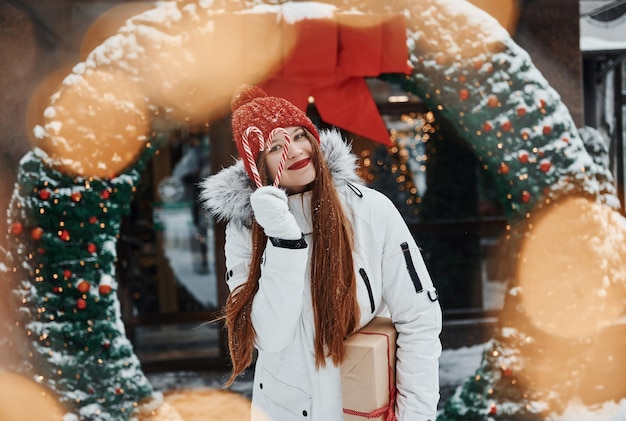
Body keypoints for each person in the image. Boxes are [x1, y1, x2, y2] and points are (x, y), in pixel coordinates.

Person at [200, 85, 442, 421]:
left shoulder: (369, 210)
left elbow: (419, 320)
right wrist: (284, 240)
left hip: (364, 404)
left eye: (299, 135)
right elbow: (269, 336)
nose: (296, 150)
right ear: (258, 167)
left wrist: (414, 416)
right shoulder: (245, 230)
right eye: (275, 146)